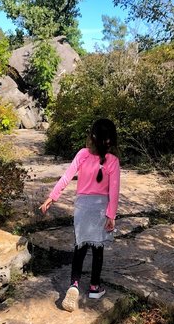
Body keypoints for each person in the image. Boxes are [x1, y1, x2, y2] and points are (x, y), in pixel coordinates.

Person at [40, 119, 121, 312]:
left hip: (83, 208)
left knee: (80, 247)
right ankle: (94, 287)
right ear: (110, 140)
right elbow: (114, 191)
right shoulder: (113, 161)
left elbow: (66, 176)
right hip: (101, 208)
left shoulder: (83, 154)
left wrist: (52, 196)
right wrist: (111, 215)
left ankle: (74, 285)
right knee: (98, 250)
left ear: (92, 136)